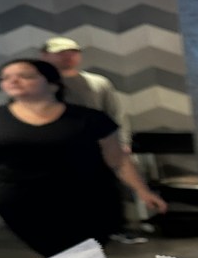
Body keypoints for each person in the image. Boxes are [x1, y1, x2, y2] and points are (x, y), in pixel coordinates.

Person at [0, 58, 167, 258]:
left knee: (86, 256)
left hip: (89, 199)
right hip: (20, 201)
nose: (12, 81)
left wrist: (143, 192)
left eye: (24, 75)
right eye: (6, 77)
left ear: (52, 83)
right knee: (55, 254)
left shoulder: (90, 118)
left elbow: (119, 160)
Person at [40, 36, 146, 244]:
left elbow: (115, 113)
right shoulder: (39, 84)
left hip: (99, 144)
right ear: (45, 56)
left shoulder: (98, 83)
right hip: (58, 147)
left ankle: (115, 228)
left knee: (107, 187)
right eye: (61, 53)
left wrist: (122, 142)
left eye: (72, 53)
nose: (67, 58)